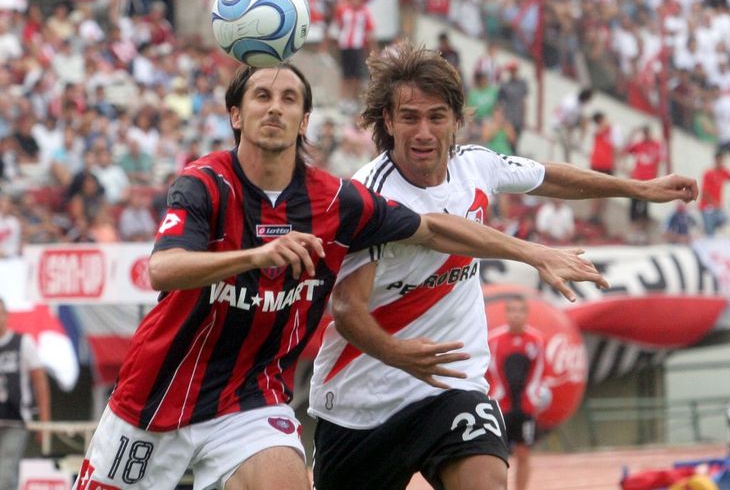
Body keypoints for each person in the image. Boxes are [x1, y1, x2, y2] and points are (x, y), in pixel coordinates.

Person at [73, 63, 608, 490]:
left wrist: (532, 252)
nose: (275, 109)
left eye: (289, 100)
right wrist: (253, 258)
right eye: (262, 97)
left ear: (306, 120)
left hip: (252, 400)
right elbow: (162, 269)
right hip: (155, 396)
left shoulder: (337, 200)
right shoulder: (205, 184)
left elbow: (437, 230)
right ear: (235, 114)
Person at [309, 42, 698, 490]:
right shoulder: (370, 193)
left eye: (436, 116)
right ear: (389, 121)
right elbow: (347, 308)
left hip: (452, 388)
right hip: (363, 400)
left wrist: (638, 189)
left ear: (456, 119)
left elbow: (547, 176)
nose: (423, 131)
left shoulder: (476, 164)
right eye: (410, 117)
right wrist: (397, 353)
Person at [487, 296, 544, 490]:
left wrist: (532, 400)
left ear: (526, 314)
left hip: (525, 407)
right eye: (511, 310)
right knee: (495, 455)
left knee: (523, 454)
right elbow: (489, 372)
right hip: (500, 406)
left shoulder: (535, 341)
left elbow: (538, 372)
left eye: (520, 310)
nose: (515, 315)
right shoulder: (494, 340)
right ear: (506, 313)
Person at [0, 297, 51, 490]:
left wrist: (44, 423)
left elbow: (40, 382)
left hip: (16, 419)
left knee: (5, 474)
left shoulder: (22, 342)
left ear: (6, 315)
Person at [552, 87, 593, 163]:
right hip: (560, 125)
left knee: (585, 121)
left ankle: (577, 144)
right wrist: (570, 136)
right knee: (567, 147)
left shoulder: (574, 98)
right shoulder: (573, 106)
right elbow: (569, 124)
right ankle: (577, 144)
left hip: (563, 121)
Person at [698, 151, 730, 236]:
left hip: (716, 207)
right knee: (710, 234)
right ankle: (706, 228)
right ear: (715, 160)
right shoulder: (708, 173)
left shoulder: (723, 172)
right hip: (706, 207)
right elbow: (704, 193)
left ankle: (705, 228)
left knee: (724, 219)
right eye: (719, 160)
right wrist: (715, 203)